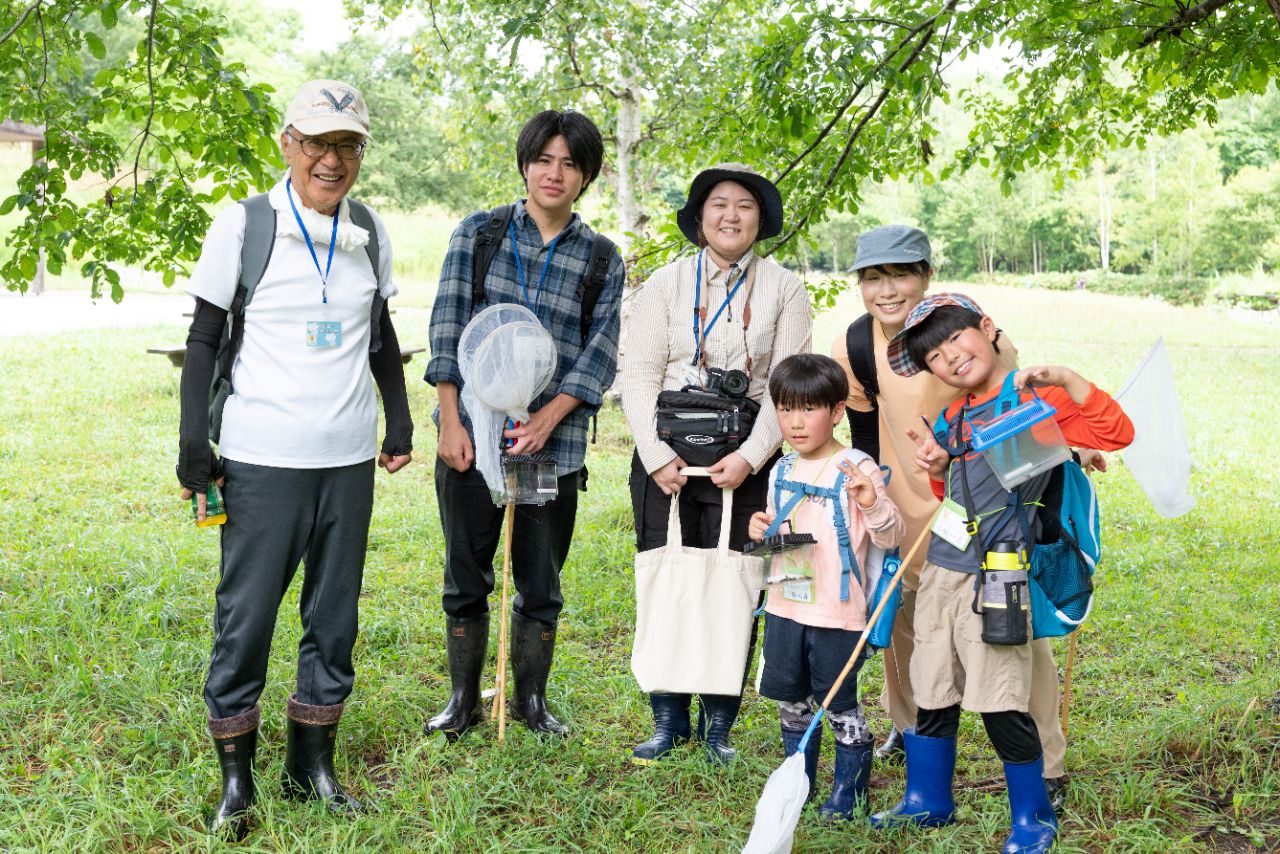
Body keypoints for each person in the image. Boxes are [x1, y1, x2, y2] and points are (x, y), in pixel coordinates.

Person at [176, 80, 412, 839]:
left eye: (348, 145)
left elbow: (380, 337)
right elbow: (206, 338)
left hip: (345, 460)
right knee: (245, 620)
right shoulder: (245, 224)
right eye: (317, 143)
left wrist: (399, 421)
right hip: (260, 457)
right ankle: (237, 780)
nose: (332, 160)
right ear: (287, 143)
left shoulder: (370, 230)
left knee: (333, 619)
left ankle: (312, 766)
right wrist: (191, 442)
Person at [869, 293, 1133, 854]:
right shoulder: (950, 417)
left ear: (986, 329)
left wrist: (1069, 378)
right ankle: (927, 800)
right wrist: (939, 468)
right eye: (935, 355)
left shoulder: (1037, 397)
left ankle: (1033, 818)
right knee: (932, 684)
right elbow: (957, 495)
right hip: (944, 564)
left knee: (999, 696)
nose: (949, 357)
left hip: (1001, 572)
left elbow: (1116, 434)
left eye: (955, 339)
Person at [833, 224, 1072, 810]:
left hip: (984, 513)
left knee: (1011, 633)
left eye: (901, 275)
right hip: (905, 515)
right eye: (873, 279)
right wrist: (876, 505)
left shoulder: (971, 337)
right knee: (909, 634)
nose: (887, 291)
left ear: (926, 276)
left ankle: (1047, 766)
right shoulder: (859, 345)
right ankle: (914, 739)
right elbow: (865, 430)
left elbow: (1025, 428)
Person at [423, 110, 624, 740]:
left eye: (570, 163)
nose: (554, 173)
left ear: (586, 175)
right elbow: (448, 325)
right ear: (525, 163)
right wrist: (449, 421)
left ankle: (531, 702)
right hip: (471, 441)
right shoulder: (478, 235)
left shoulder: (601, 258)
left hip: (552, 449)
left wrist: (549, 418)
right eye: (544, 159)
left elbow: (601, 350)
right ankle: (462, 700)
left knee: (539, 580)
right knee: (467, 571)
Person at [621, 163, 812, 764]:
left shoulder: (785, 289)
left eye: (745, 207)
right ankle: (667, 717)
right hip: (664, 456)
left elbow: (788, 386)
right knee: (666, 579)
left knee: (740, 580)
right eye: (719, 205)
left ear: (761, 220)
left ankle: (720, 723)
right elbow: (637, 374)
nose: (731, 216)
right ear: (699, 216)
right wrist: (654, 457)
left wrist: (753, 457)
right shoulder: (663, 285)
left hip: (748, 455)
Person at [746, 353, 905, 819]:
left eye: (809, 409)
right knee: (792, 702)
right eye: (785, 409)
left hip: (837, 613)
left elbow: (892, 537)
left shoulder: (855, 468)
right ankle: (802, 782)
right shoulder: (781, 469)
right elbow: (781, 529)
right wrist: (762, 528)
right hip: (784, 604)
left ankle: (850, 793)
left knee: (839, 704)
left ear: (837, 412)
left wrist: (871, 502)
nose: (795, 423)